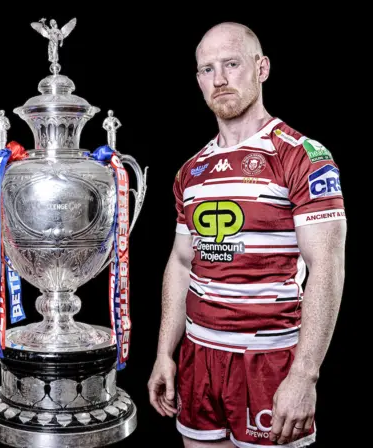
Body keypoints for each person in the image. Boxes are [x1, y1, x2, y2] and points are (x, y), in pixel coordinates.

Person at [148, 22, 346, 447]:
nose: (218, 79)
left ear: (262, 68)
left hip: (269, 361)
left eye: (231, 64)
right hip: (198, 358)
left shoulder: (302, 156)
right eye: (206, 69)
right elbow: (182, 263)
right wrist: (166, 352)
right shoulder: (191, 170)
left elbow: (326, 265)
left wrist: (305, 374)